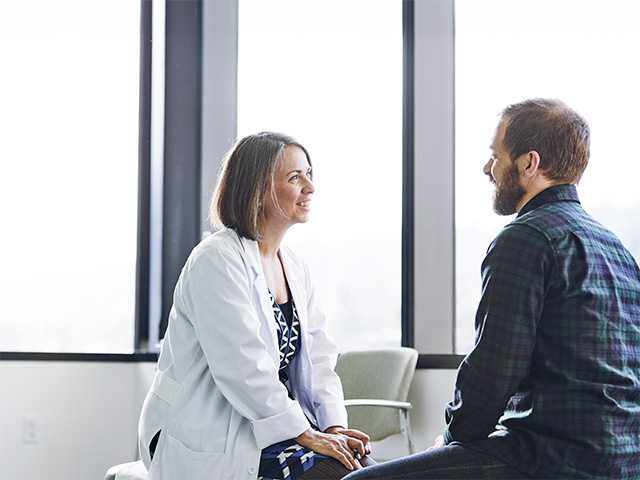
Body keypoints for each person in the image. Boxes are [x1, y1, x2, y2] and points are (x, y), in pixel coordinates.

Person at [345, 99, 640, 479]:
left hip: (550, 458)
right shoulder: (615, 247)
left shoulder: (527, 238)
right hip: (623, 458)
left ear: (529, 163)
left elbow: (494, 371)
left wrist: (452, 439)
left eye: (494, 155)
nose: (488, 168)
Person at [138, 132, 373, 480]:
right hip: (203, 431)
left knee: (362, 467)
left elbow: (320, 360)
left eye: (309, 174)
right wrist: (307, 434)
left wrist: (334, 427)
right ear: (257, 191)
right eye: (296, 178)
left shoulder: (293, 266)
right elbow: (242, 366)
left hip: (269, 429)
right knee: (336, 472)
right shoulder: (216, 259)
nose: (310, 187)